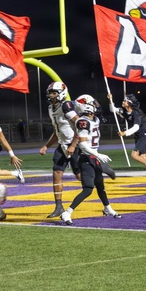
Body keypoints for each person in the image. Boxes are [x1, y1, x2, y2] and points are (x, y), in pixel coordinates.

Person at [60, 94, 120, 225]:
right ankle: (67, 212)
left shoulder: (94, 120)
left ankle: (107, 208)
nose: (96, 106)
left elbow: (108, 111)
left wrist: (110, 100)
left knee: (100, 185)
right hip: (86, 158)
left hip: (93, 157)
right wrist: (98, 155)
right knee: (88, 189)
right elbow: (82, 144)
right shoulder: (83, 122)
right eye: (93, 103)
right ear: (86, 106)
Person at [39, 81, 79, 218]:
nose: (51, 95)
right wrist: (46, 146)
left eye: (54, 93)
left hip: (75, 145)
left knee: (80, 176)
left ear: (61, 93)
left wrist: (74, 145)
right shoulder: (51, 108)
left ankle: (100, 177)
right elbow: (58, 131)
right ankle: (59, 206)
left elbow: (81, 125)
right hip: (62, 145)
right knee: (57, 173)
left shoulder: (66, 106)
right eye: (50, 93)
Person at [108, 92, 146, 182]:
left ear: (129, 103)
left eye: (125, 100)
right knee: (143, 157)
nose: (123, 101)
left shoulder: (136, 113)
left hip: (143, 135)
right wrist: (110, 100)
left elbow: (136, 127)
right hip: (138, 136)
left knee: (134, 155)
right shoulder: (126, 112)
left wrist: (125, 133)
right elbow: (113, 110)